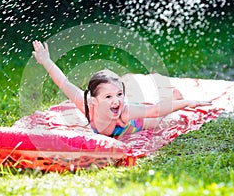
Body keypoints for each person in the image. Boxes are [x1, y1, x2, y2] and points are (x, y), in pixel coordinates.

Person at [32, 40, 211, 137]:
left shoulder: (124, 111)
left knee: (158, 119)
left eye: (119, 94)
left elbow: (155, 110)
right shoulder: (86, 104)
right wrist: (46, 60)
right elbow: (63, 83)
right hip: (122, 113)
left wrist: (186, 103)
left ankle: (174, 98)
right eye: (108, 97)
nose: (116, 100)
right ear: (94, 101)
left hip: (136, 123)